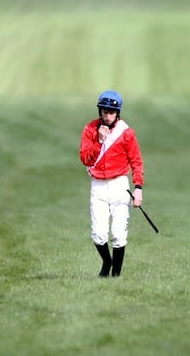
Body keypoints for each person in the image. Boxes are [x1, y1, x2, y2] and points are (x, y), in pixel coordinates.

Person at [79, 89, 145, 278]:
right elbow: (85, 158)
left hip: (119, 185)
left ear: (117, 114)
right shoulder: (90, 130)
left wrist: (138, 188)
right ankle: (107, 262)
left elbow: (136, 161)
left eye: (111, 113)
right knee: (99, 234)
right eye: (105, 112)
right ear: (100, 111)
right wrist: (99, 140)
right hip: (98, 186)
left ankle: (116, 274)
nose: (107, 116)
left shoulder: (126, 133)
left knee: (118, 234)